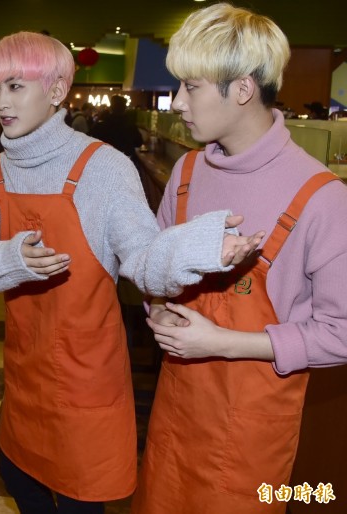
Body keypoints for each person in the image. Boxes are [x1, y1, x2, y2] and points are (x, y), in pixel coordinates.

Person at [0, 31, 263, 514]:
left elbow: (142, 260)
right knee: (18, 476)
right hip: (24, 364)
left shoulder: (103, 169)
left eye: (15, 86)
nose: (1, 103)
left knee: (81, 497)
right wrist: (12, 259)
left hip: (86, 373)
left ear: (57, 90)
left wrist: (200, 247)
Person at [131, 5, 347, 514]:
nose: (178, 101)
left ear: (243, 89)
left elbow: (340, 333)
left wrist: (222, 343)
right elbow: (151, 265)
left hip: (252, 435)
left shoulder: (322, 197)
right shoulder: (186, 172)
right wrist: (157, 307)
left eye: (192, 86)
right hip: (176, 415)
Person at [89, 95, 143, 159]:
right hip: (125, 160)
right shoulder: (130, 125)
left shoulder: (102, 125)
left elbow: (92, 139)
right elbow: (138, 143)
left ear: (111, 108)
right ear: (124, 108)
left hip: (106, 159)